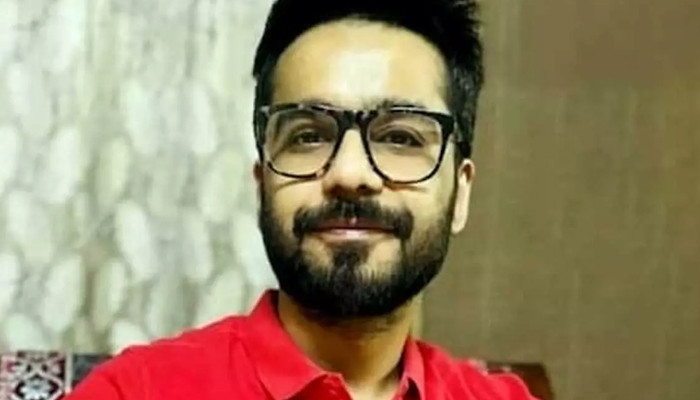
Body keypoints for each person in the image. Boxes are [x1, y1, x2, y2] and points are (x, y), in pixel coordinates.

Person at [68, 0, 538, 399]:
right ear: (261, 185)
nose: (349, 174)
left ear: (461, 193)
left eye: (400, 137)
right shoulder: (134, 391)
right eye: (309, 135)